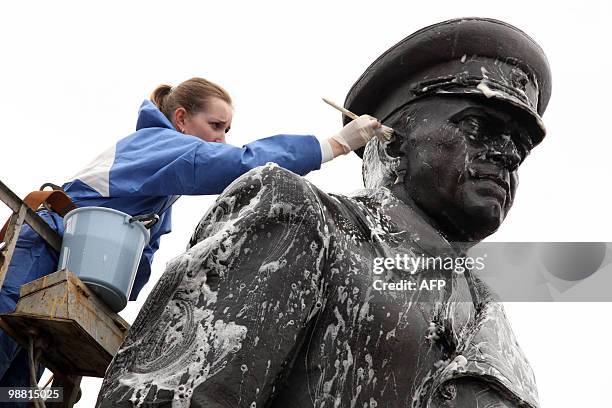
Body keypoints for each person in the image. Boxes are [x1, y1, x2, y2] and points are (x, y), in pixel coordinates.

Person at [98, 18, 550, 408]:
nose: (508, 153)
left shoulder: (492, 315)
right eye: (477, 125)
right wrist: (329, 146)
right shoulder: (300, 217)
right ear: (395, 137)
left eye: (521, 146)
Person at [0, 77, 385, 392]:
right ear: (181, 118)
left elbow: (137, 270)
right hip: (43, 247)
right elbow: (236, 162)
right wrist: (335, 144)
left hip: (65, 260)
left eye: (227, 129)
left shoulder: (160, 196)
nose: (221, 138)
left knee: (17, 391)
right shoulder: (157, 146)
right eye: (215, 126)